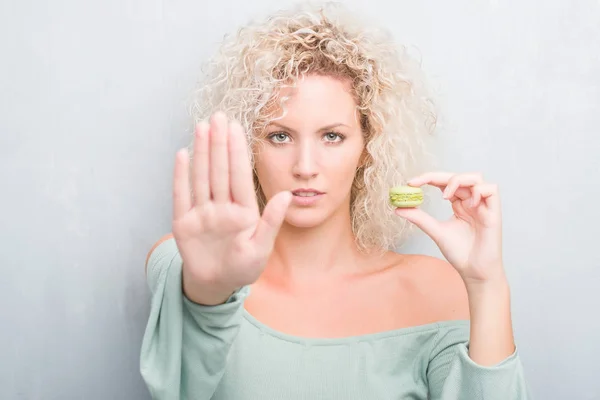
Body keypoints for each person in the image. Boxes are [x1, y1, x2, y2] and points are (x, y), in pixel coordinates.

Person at [139, 2, 531, 399]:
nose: (305, 166)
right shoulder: (191, 263)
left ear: (368, 147)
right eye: (279, 136)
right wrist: (208, 294)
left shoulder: (435, 291)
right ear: (247, 147)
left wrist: (487, 285)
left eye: (332, 136)